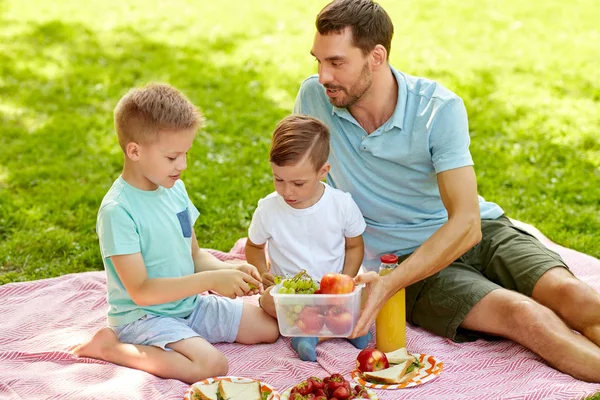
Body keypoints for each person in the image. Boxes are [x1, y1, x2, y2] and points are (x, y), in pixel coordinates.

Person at [293, 0, 600, 382]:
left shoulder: (437, 108)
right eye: (318, 61)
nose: (323, 76)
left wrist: (388, 287)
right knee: (524, 315)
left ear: (376, 56)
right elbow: (297, 184)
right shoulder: (314, 100)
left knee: (575, 297)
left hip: (479, 230)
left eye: (337, 62)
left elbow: (468, 224)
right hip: (404, 260)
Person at [72, 83, 279, 384]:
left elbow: (193, 254)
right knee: (211, 365)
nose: (182, 165)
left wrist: (229, 270)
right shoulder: (118, 211)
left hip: (189, 306)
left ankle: (183, 338)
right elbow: (141, 291)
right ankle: (112, 347)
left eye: (185, 154)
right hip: (143, 317)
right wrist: (210, 281)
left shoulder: (174, 189)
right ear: (134, 151)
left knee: (268, 328)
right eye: (172, 157)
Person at [245, 114, 371, 361]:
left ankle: (315, 333)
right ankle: (333, 331)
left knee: (368, 293)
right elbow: (253, 246)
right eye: (278, 180)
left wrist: (347, 278)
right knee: (267, 301)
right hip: (292, 295)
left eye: (298, 183)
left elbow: (355, 245)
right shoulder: (269, 209)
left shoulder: (341, 204)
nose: (287, 191)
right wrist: (262, 273)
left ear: (323, 171)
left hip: (334, 290)